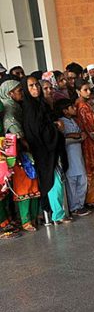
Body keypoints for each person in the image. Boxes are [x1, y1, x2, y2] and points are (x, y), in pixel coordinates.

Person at [20, 76, 71, 225]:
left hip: (51, 149)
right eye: (31, 86)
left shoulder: (41, 105)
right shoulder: (29, 108)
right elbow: (36, 131)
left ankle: (57, 213)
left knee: (57, 181)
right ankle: (57, 214)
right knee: (53, 182)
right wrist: (55, 127)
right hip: (43, 151)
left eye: (36, 85)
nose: (35, 88)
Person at [1, 80, 41, 231]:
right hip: (18, 154)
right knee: (24, 187)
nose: (21, 93)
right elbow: (17, 135)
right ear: (9, 93)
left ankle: (33, 217)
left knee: (33, 184)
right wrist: (30, 144)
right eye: (18, 91)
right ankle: (26, 220)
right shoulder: (9, 111)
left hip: (26, 153)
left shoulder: (18, 107)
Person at [55, 99, 90, 217]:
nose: (75, 109)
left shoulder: (74, 121)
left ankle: (80, 205)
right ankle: (74, 207)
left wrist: (81, 135)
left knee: (82, 180)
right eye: (72, 107)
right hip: (69, 155)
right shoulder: (61, 122)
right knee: (72, 181)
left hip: (78, 155)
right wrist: (73, 135)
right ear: (65, 111)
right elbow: (61, 137)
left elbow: (80, 134)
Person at [74, 78, 94, 208]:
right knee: (91, 169)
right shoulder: (81, 107)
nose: (88, 92)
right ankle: (90, 198)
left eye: (89, 89)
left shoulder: (86, 105)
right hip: (89, 143)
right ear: (78, 91)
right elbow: (91, 128)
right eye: (85, 90)